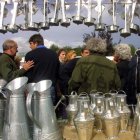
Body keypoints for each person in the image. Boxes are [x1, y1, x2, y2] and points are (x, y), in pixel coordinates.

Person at [24, 34, 59, 104]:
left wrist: (26, 89)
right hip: (50, 87)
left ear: (36, 43)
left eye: (31, 43)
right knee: (50, 112)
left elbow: (28, 73)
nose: (30, 46)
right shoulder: (54, 54)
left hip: (35, 89)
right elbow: (57, 72)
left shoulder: (30, 55)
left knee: (35, 113)